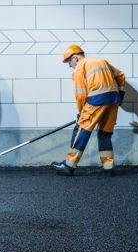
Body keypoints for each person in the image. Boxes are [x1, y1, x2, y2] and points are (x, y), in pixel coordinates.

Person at [52, 44, 126, 175]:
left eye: (69, 62)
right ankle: (108, 167)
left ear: (75, 58)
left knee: (82, 130)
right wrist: (120, 95)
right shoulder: (101, 61)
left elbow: (80, 95)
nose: (70, 66)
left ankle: (69, 165)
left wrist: (81, 113)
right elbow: (120, 75)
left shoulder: (80, 67)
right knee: (104, 132)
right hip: (113, 100)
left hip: (97, 99)